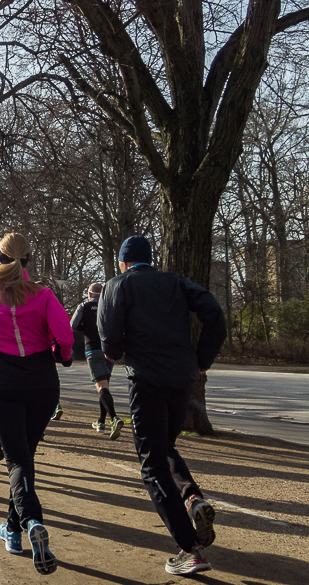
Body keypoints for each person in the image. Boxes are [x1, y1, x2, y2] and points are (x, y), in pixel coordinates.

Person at [98, 235, 226, 576]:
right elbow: (214, 313)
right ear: (149, 259)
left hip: (147, 380)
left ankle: (190, 549)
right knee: (164, 446)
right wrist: (202, 360)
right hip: (182, 378)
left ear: (124, 261)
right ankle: (192, 497)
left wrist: (114, 352)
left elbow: (109, 336)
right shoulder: (176, 281)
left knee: (152, 464)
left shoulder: (118, 284)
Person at [0, 233, 73, 575]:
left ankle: (32, 521)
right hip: (41, 384)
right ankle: (14, 528)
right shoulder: (44, 294)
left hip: (2, 383)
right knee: (24, 458)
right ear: (29, 259)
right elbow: (65, 338)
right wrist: (61, 356)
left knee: (18, 460)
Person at [70, 283, 124, 439]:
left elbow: (72, 326)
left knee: (101, 386)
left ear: (89, 294)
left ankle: (114, 418)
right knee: (105, 385)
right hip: (109, 350)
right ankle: (101, 421)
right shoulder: (109, 306)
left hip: (92, 350)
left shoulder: (84, 306)